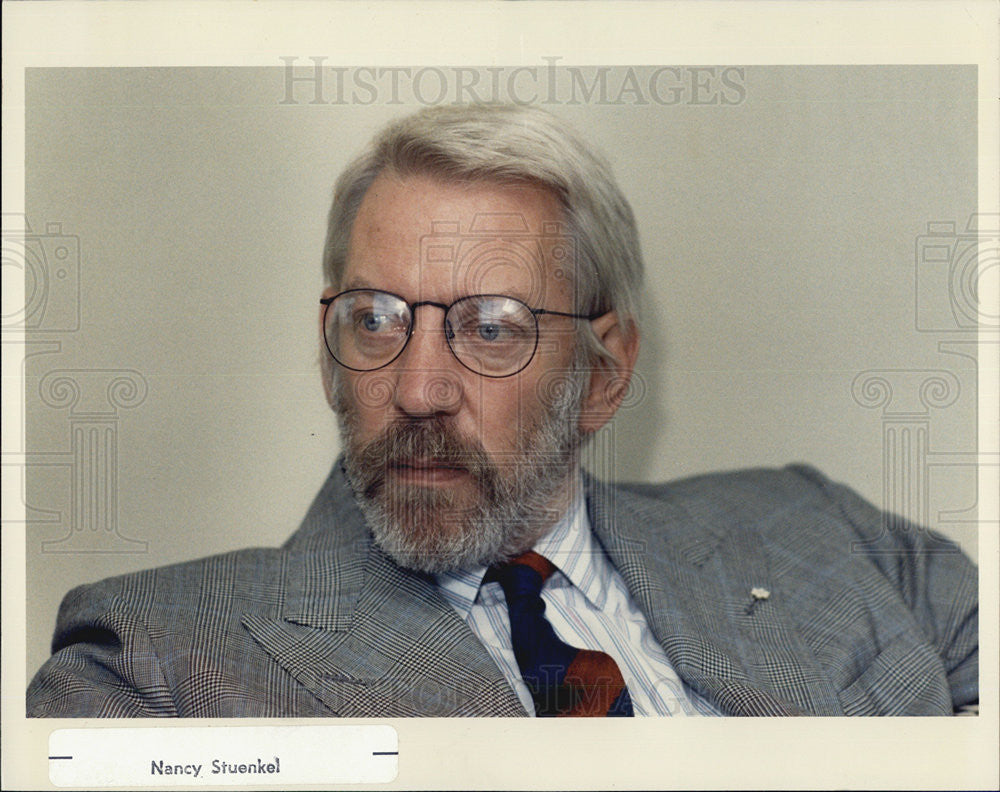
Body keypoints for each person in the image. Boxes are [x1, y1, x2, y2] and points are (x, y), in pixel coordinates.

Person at [27, 104, 978, 717]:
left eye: (489, 328)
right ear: (330, 354)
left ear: (604, 373)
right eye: (376, 320)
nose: (419, 390)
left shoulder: (816, 530)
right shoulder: (152, 661)